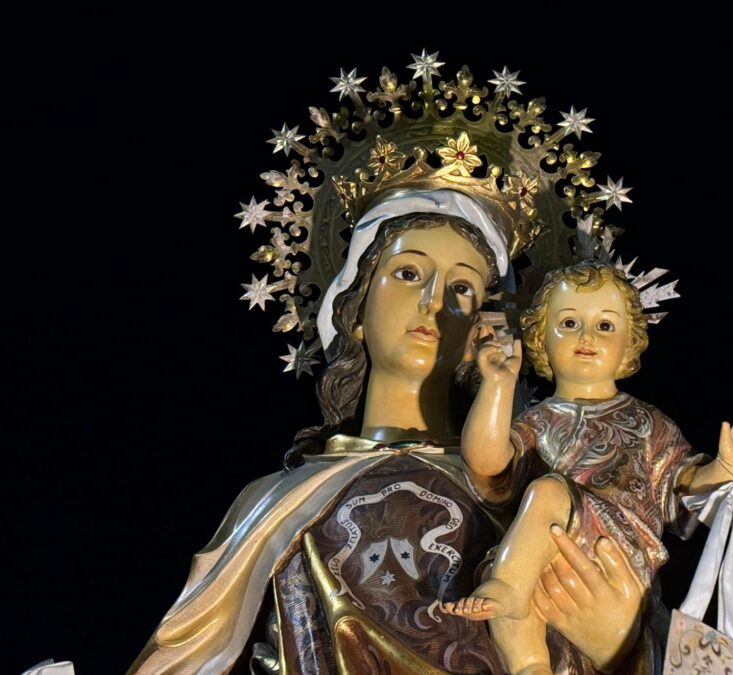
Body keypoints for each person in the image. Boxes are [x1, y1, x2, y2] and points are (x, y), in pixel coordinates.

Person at [129, 205, 655, 674]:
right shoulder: (273, 503)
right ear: (356, 311)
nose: (432, 302)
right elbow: (186, 658)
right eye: (408, 273)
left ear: (481, 332)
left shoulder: (529, 494)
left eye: (462, 288)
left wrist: (623, 644)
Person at [445, 262, 733, 674]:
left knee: (546, 495)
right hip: (537, 562)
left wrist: (726, 466)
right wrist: (497, 387)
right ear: (540, 339)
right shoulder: (537, 422)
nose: (586, 337)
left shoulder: (646, 423)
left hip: (616, 558)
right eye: (569, 322)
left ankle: (511, 588)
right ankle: (530, 665)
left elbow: (683, 483)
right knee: (506, 579)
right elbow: (486, 463)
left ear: (629, 342)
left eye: (604, 326)